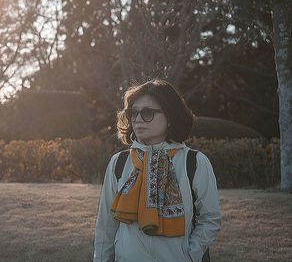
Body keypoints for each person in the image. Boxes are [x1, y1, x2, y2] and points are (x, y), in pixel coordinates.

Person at [93, 79, 221, 262]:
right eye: (133, 113)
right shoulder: (119, 163)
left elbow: (210, 218)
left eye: (147, 113)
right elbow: (106, 225)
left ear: (170, 117)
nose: (137, 119)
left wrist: (190, 255)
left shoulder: (194, 162)